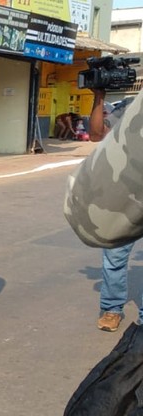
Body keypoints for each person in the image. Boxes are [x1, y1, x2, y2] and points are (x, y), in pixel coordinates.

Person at [63, 94, 143, 416]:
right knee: (115, 264)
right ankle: (111, 304)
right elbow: (97, 131)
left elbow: (91, 215)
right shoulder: (116, 106)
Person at [84, 87, 133, 332]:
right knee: (114, 258)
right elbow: (96, 134)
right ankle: (112, 309)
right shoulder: (127, 106)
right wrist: (99, 97)